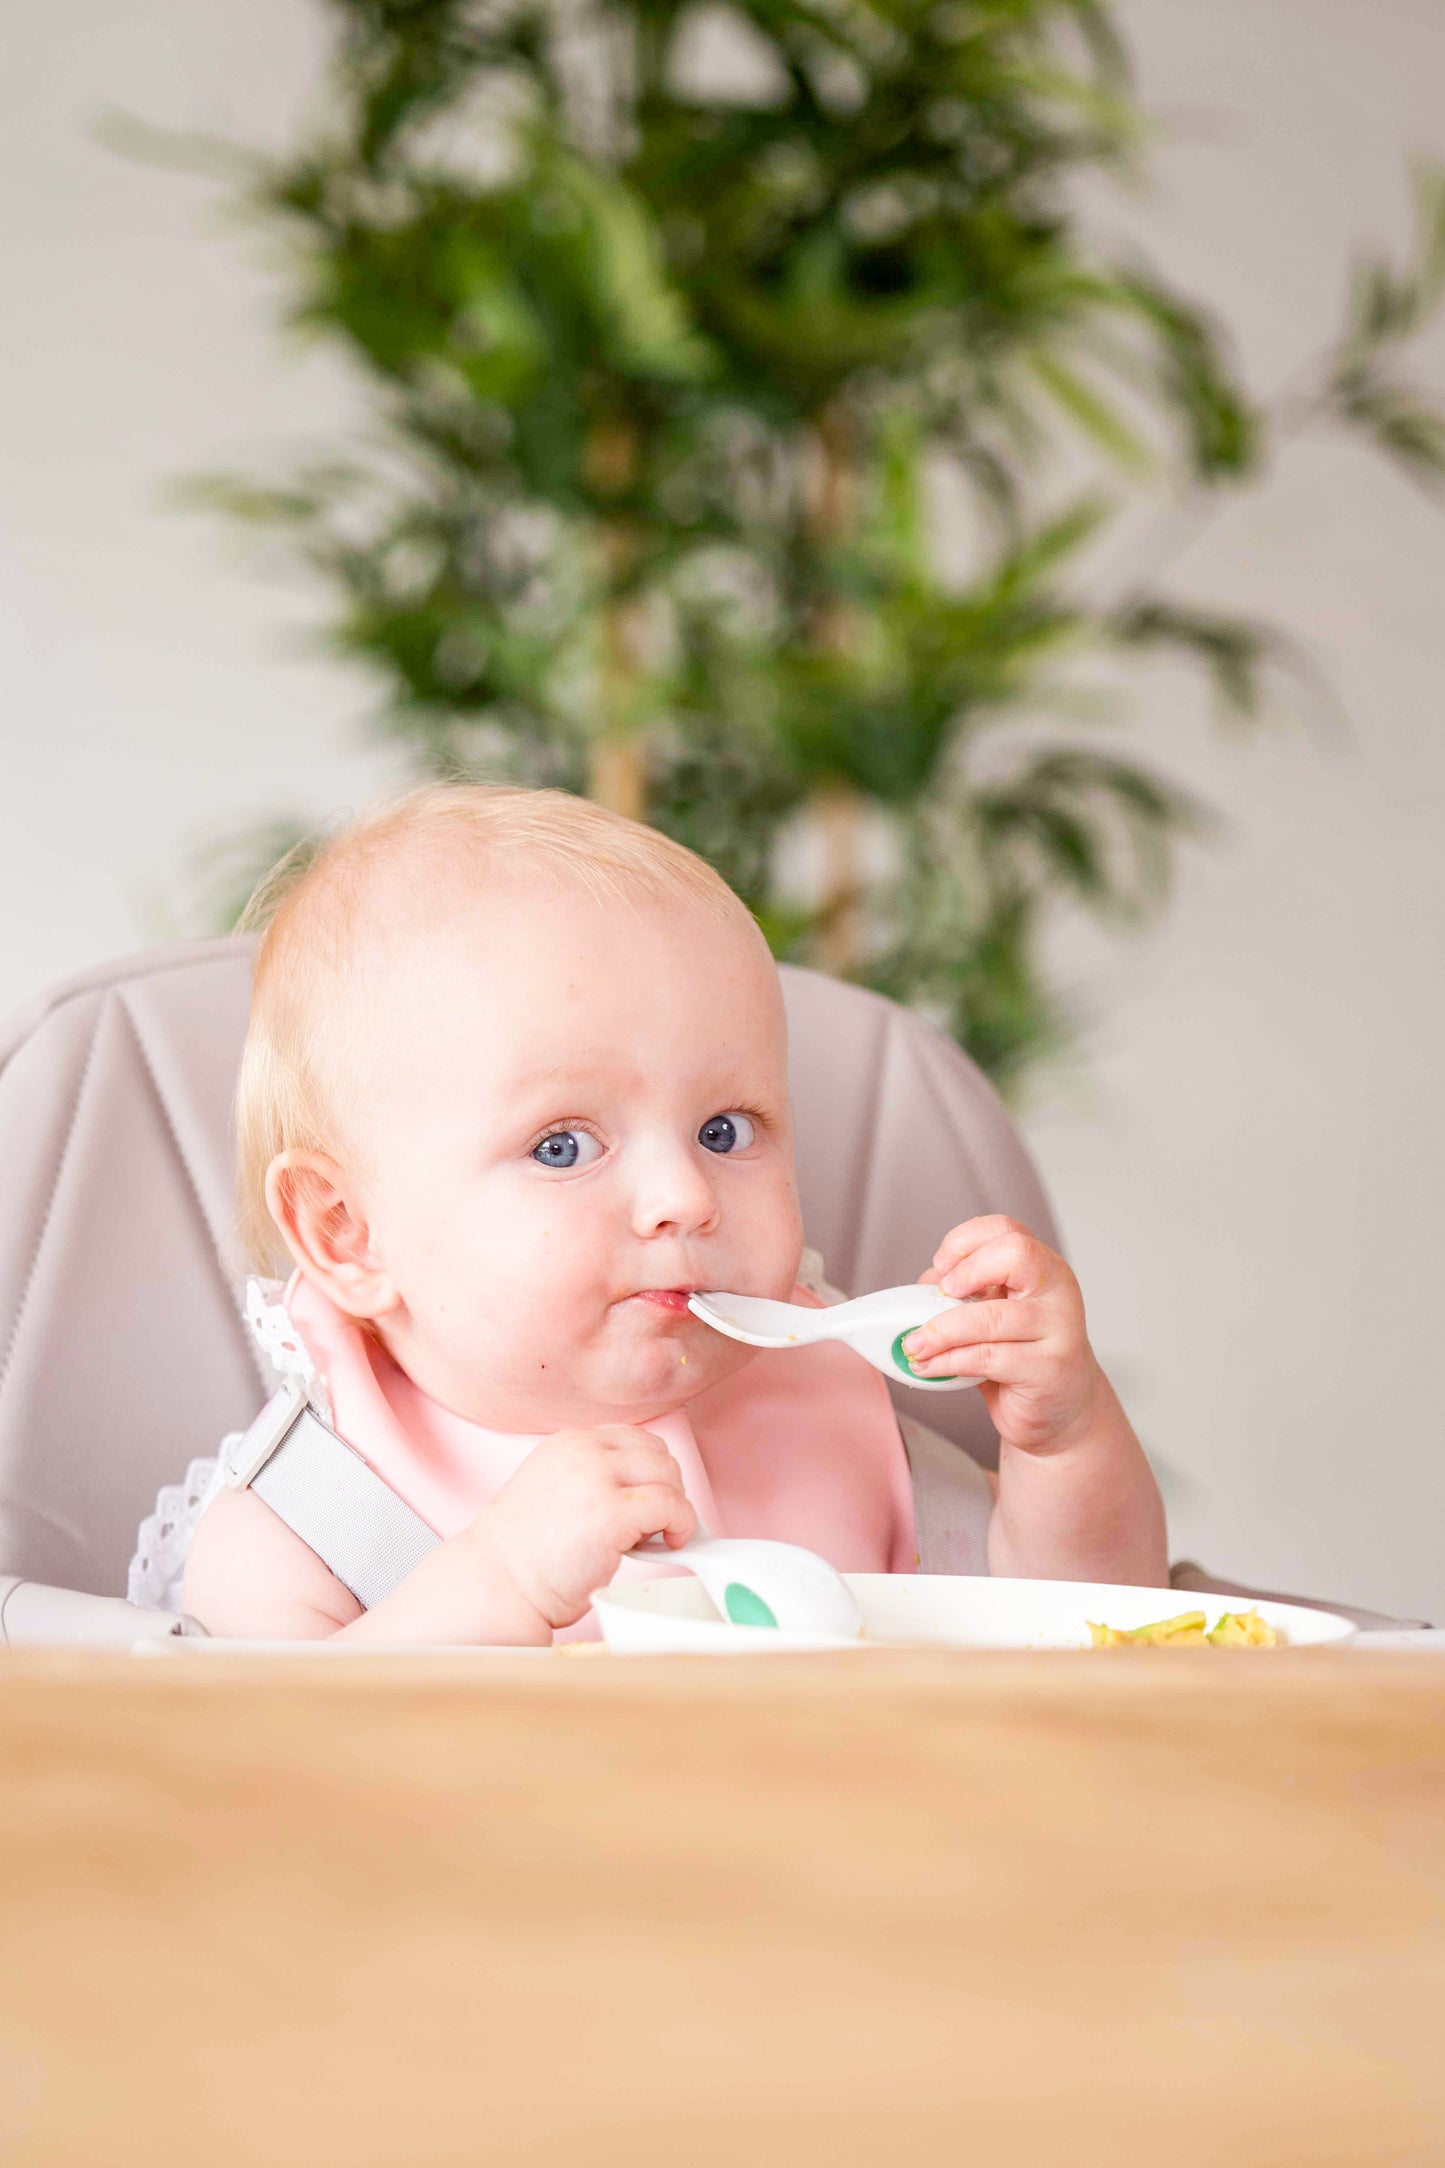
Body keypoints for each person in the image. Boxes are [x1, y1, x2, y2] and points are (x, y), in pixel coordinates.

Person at [156, 784, 1164, 1642]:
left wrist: (1061, 1442)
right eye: (561, 1145)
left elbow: (1082, 1630)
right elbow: (268, 1783)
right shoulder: (305, 1518)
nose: (685, 1194)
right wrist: (499, 1587)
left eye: (725, 1129)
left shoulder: (825, 1418)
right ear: (347, 1232)